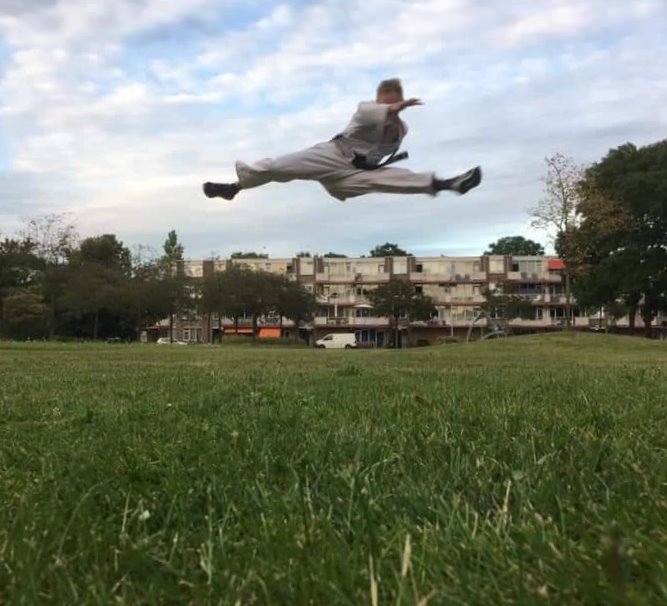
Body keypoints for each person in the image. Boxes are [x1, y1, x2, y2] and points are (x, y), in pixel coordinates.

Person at [203, 78, 481, 202]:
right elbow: (369, 111)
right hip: (332, 154)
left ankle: (449, 184)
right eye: (384, 104)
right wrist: (390, 109)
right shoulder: (365, 111)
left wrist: (395, 113)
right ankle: (234, 188)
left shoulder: (401, 129)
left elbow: (391, 132)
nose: (390, 108)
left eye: (392, 103)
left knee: (390, 177)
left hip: (351, 175)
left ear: (398, 99)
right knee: (277, 167)